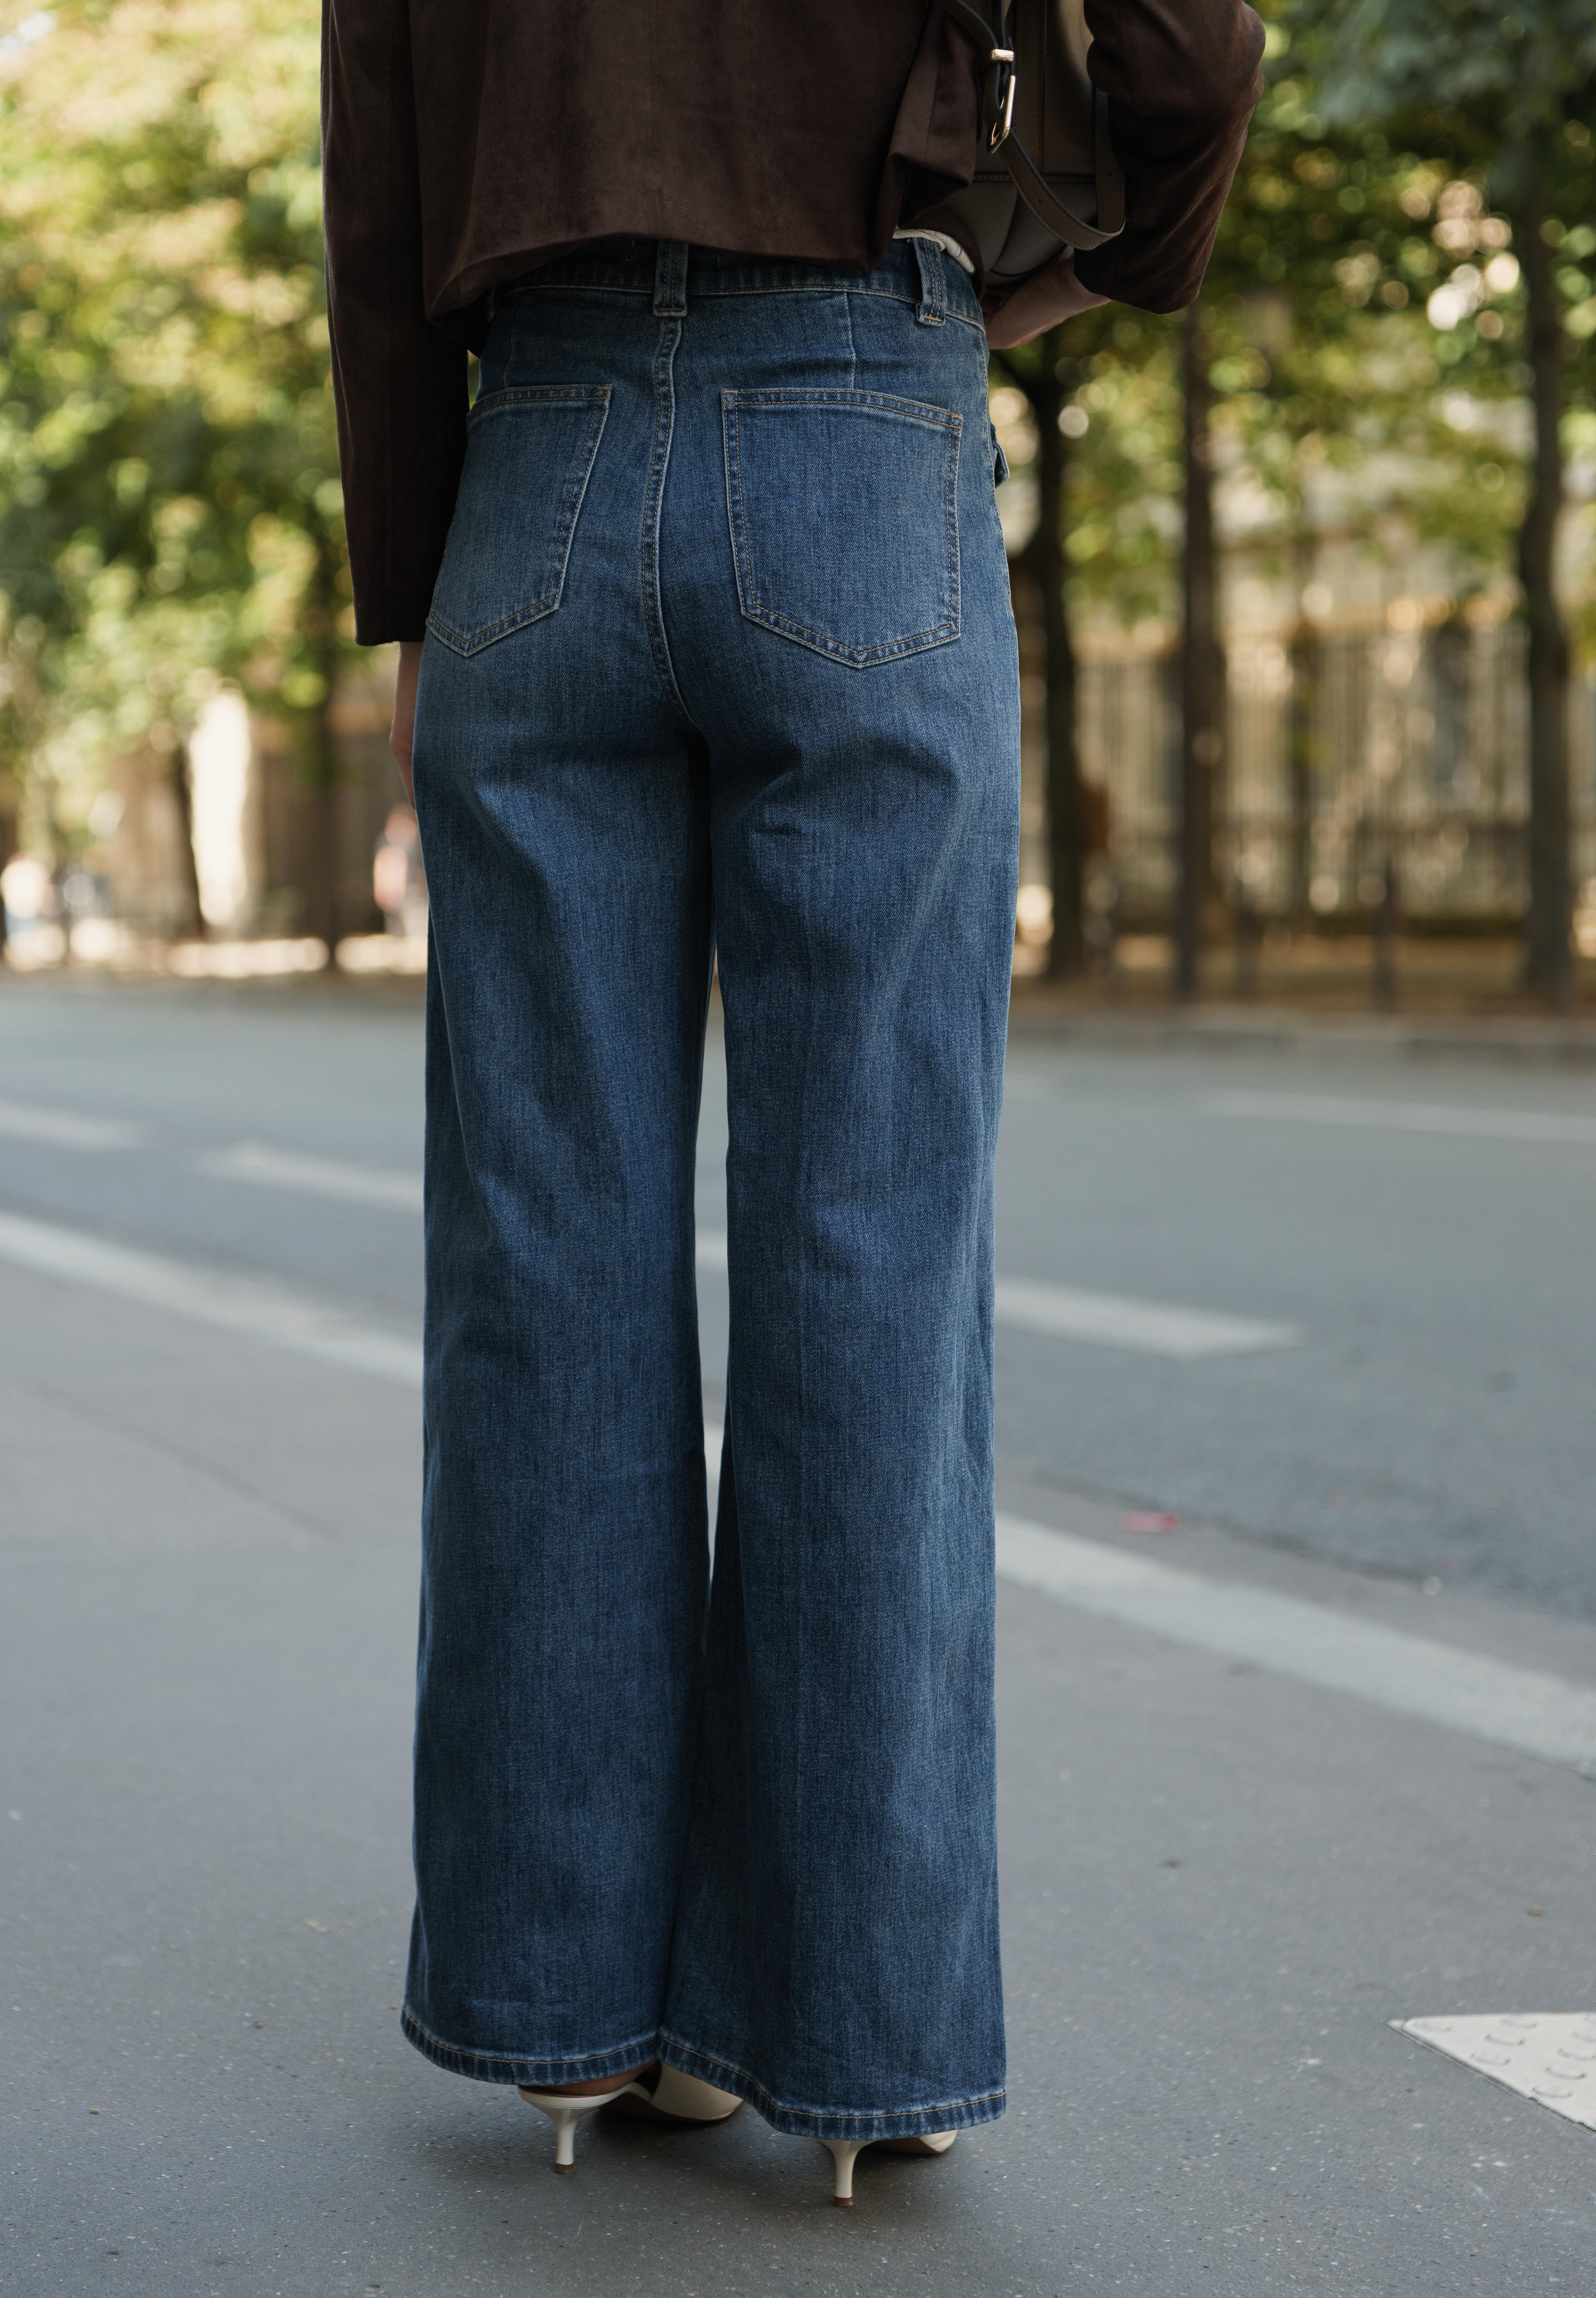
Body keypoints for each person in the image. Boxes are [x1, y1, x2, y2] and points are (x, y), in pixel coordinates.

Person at [322, 0, 1263, 2209]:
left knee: (542, 1274)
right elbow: (1194, 54)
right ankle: (865, 2041)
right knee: (874, 1262)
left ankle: (575, 2023)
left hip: (530, 458)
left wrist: (408, 590)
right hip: (866, 408)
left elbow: (377, 161)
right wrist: (1077, 273)